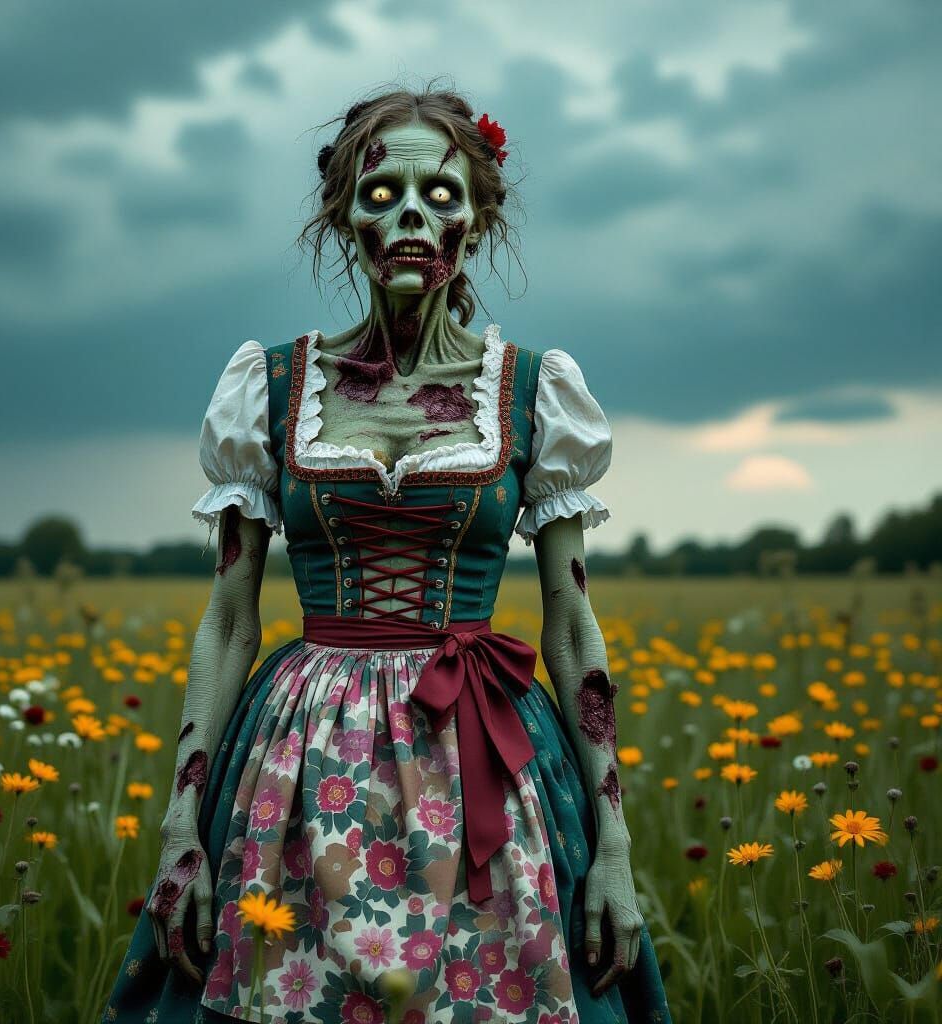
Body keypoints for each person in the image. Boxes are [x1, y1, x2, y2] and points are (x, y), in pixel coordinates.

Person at [101, 84, 672, 1024]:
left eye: (442, 195)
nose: (412, 215)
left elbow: (570, 625)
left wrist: (612, 845)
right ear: (343, 217)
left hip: (487, 750)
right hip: (299, 761)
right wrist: (180, 826)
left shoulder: (532, 389)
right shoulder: (273, 385)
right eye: (381, 194)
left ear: (479, 220)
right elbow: (231, 614)